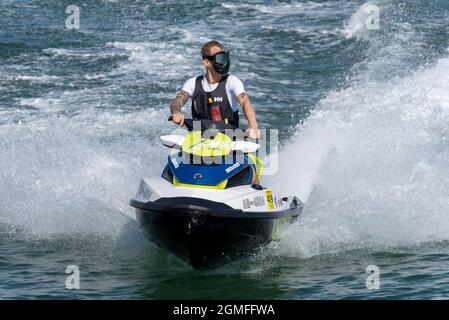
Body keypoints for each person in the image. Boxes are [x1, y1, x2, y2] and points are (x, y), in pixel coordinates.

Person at [169, 40, 260, 139]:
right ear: (207, 62)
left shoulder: (232, 81)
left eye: (225, 57)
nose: (224, 62)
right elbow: (178, 100)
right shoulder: (193, 83)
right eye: (220, 58)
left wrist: (253, 126)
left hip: (229, 139)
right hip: (199, 140)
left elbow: (245, 102)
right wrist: (176, 112)